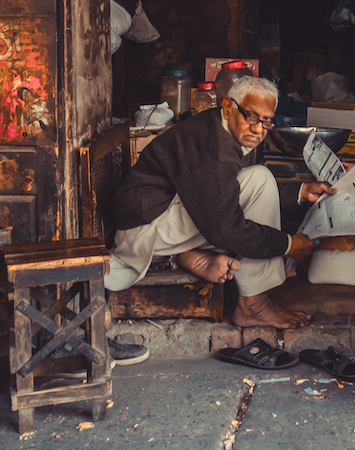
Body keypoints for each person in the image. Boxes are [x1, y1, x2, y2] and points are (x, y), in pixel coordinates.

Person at [105, 76, 337, 330]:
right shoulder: (215, 148)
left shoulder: (219, 127)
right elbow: (227, 228)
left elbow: (229, 189)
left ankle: (186, 254)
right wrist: (288, 245)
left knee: (259, 179)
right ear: (228, 107)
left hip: (165, 214)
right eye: (251, 116)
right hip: (147, 231)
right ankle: (254, 305)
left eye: (266, 121)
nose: (259, 129)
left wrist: (301, 190)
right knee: (246, 206)